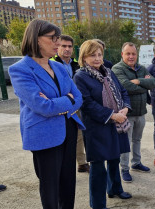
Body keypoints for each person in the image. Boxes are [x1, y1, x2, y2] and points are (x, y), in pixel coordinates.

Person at [8, 19, 85, 208]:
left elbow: (79, 97)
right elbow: (42, 106)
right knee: (50, 188)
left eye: (58, 38)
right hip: (44, 134)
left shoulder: (59, 66)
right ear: (36, 39)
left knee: (68, 184)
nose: (58, 43)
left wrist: (57, 102)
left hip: (68, 128)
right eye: (53, 38)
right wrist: (67, 100)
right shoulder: (20, 69)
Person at [73, 40, 132, 209]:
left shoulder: (108, 72)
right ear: (84, 57)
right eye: (92, 55)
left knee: (115, 158)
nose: (97, 58)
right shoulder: (80, 77)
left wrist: (125, 109)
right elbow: (87, 103)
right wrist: (112, 115)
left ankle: (114, 189)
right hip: (97, 127)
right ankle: (98, 204)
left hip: (116, 124)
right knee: (98, 167)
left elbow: (122, 91)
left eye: (99, 54)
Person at [112, 42, 155, 182]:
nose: (131, 56)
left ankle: (136, 163)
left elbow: (153, 82)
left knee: (137, 140)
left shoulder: (141, 68)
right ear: (122, 54)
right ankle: (124, 168)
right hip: (126, 114)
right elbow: (126, 87)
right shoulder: (117, 69)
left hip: (141, 112)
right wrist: (144, 84)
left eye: (133, 54)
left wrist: (137, 81)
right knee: (126, 142)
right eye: (128, 53)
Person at [51, 34, 90, 173]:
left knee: (78, 134)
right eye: (63, 46)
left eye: (69, 46)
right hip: (59, 106)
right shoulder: (51, 64)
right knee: (61, 135)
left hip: (76, 104)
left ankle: (81, 162)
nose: (67, 49)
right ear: (57, 47)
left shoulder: (76, 64)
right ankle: (60, 165)